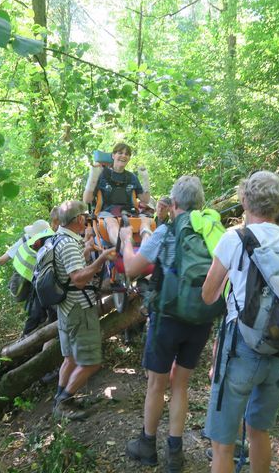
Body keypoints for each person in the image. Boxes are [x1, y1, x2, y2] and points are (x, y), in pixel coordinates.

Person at [201, 171, 279, 473]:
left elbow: (208, 295)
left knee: (222, 444)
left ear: (245, 200)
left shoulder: (234, 238)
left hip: (240, 349)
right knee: (258, 431)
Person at [119, 176, 214, 473]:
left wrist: (125, 241)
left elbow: (133, 270)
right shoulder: (211, 232)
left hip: (167, 320)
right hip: (200, 319)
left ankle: (147, 445)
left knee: (156, 383)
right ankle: (175, 453)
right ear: (200, 205)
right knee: (181, 384)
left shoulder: (166, 233)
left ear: (173, 205)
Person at [52, 200, 116, 420]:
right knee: (91, 362)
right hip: (79, 308)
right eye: (86, 218)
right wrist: (101, 259)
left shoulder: (59, 239)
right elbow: (78, 279)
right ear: (79, 219)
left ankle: (60, 400)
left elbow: (72, 268)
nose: (87, 222)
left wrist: (87, 250)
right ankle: (64, 402)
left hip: (66, 308)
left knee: (69, 358)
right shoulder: (69, 244)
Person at [83, 142, 151, 245]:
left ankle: (147, 246)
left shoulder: (131, 177)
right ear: (113, 155)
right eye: (120, 153)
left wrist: (146, 179)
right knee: (112, 222)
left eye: (127, 154)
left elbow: (145, 200)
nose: (124, 155)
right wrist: (93, 177)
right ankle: (125, 246)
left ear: (129, 158)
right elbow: (87, 199)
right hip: (108, 214)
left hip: (130, 213)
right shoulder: (102, 175)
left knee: (145, 220)